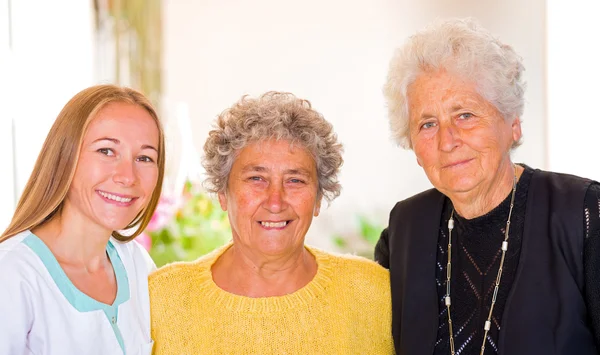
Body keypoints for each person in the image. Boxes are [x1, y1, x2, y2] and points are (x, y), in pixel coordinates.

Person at [375, 18, 600, 355]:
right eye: (427, 123)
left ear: (512, 124)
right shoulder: (404, 228)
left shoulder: (584, 214)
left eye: (465, 115)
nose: (447, 141)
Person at [149, 92, 394, 354]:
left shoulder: (375, 293)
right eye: (256, 178)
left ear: (319, 198)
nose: (275, 202)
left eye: (295, 180)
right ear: (223, 193)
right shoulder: (163, 298)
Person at [0, 84, 165, 354]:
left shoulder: (136, 264)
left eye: (145, 158)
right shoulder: (11, 275)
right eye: (106, 151)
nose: (127, 176)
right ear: (65, 156)